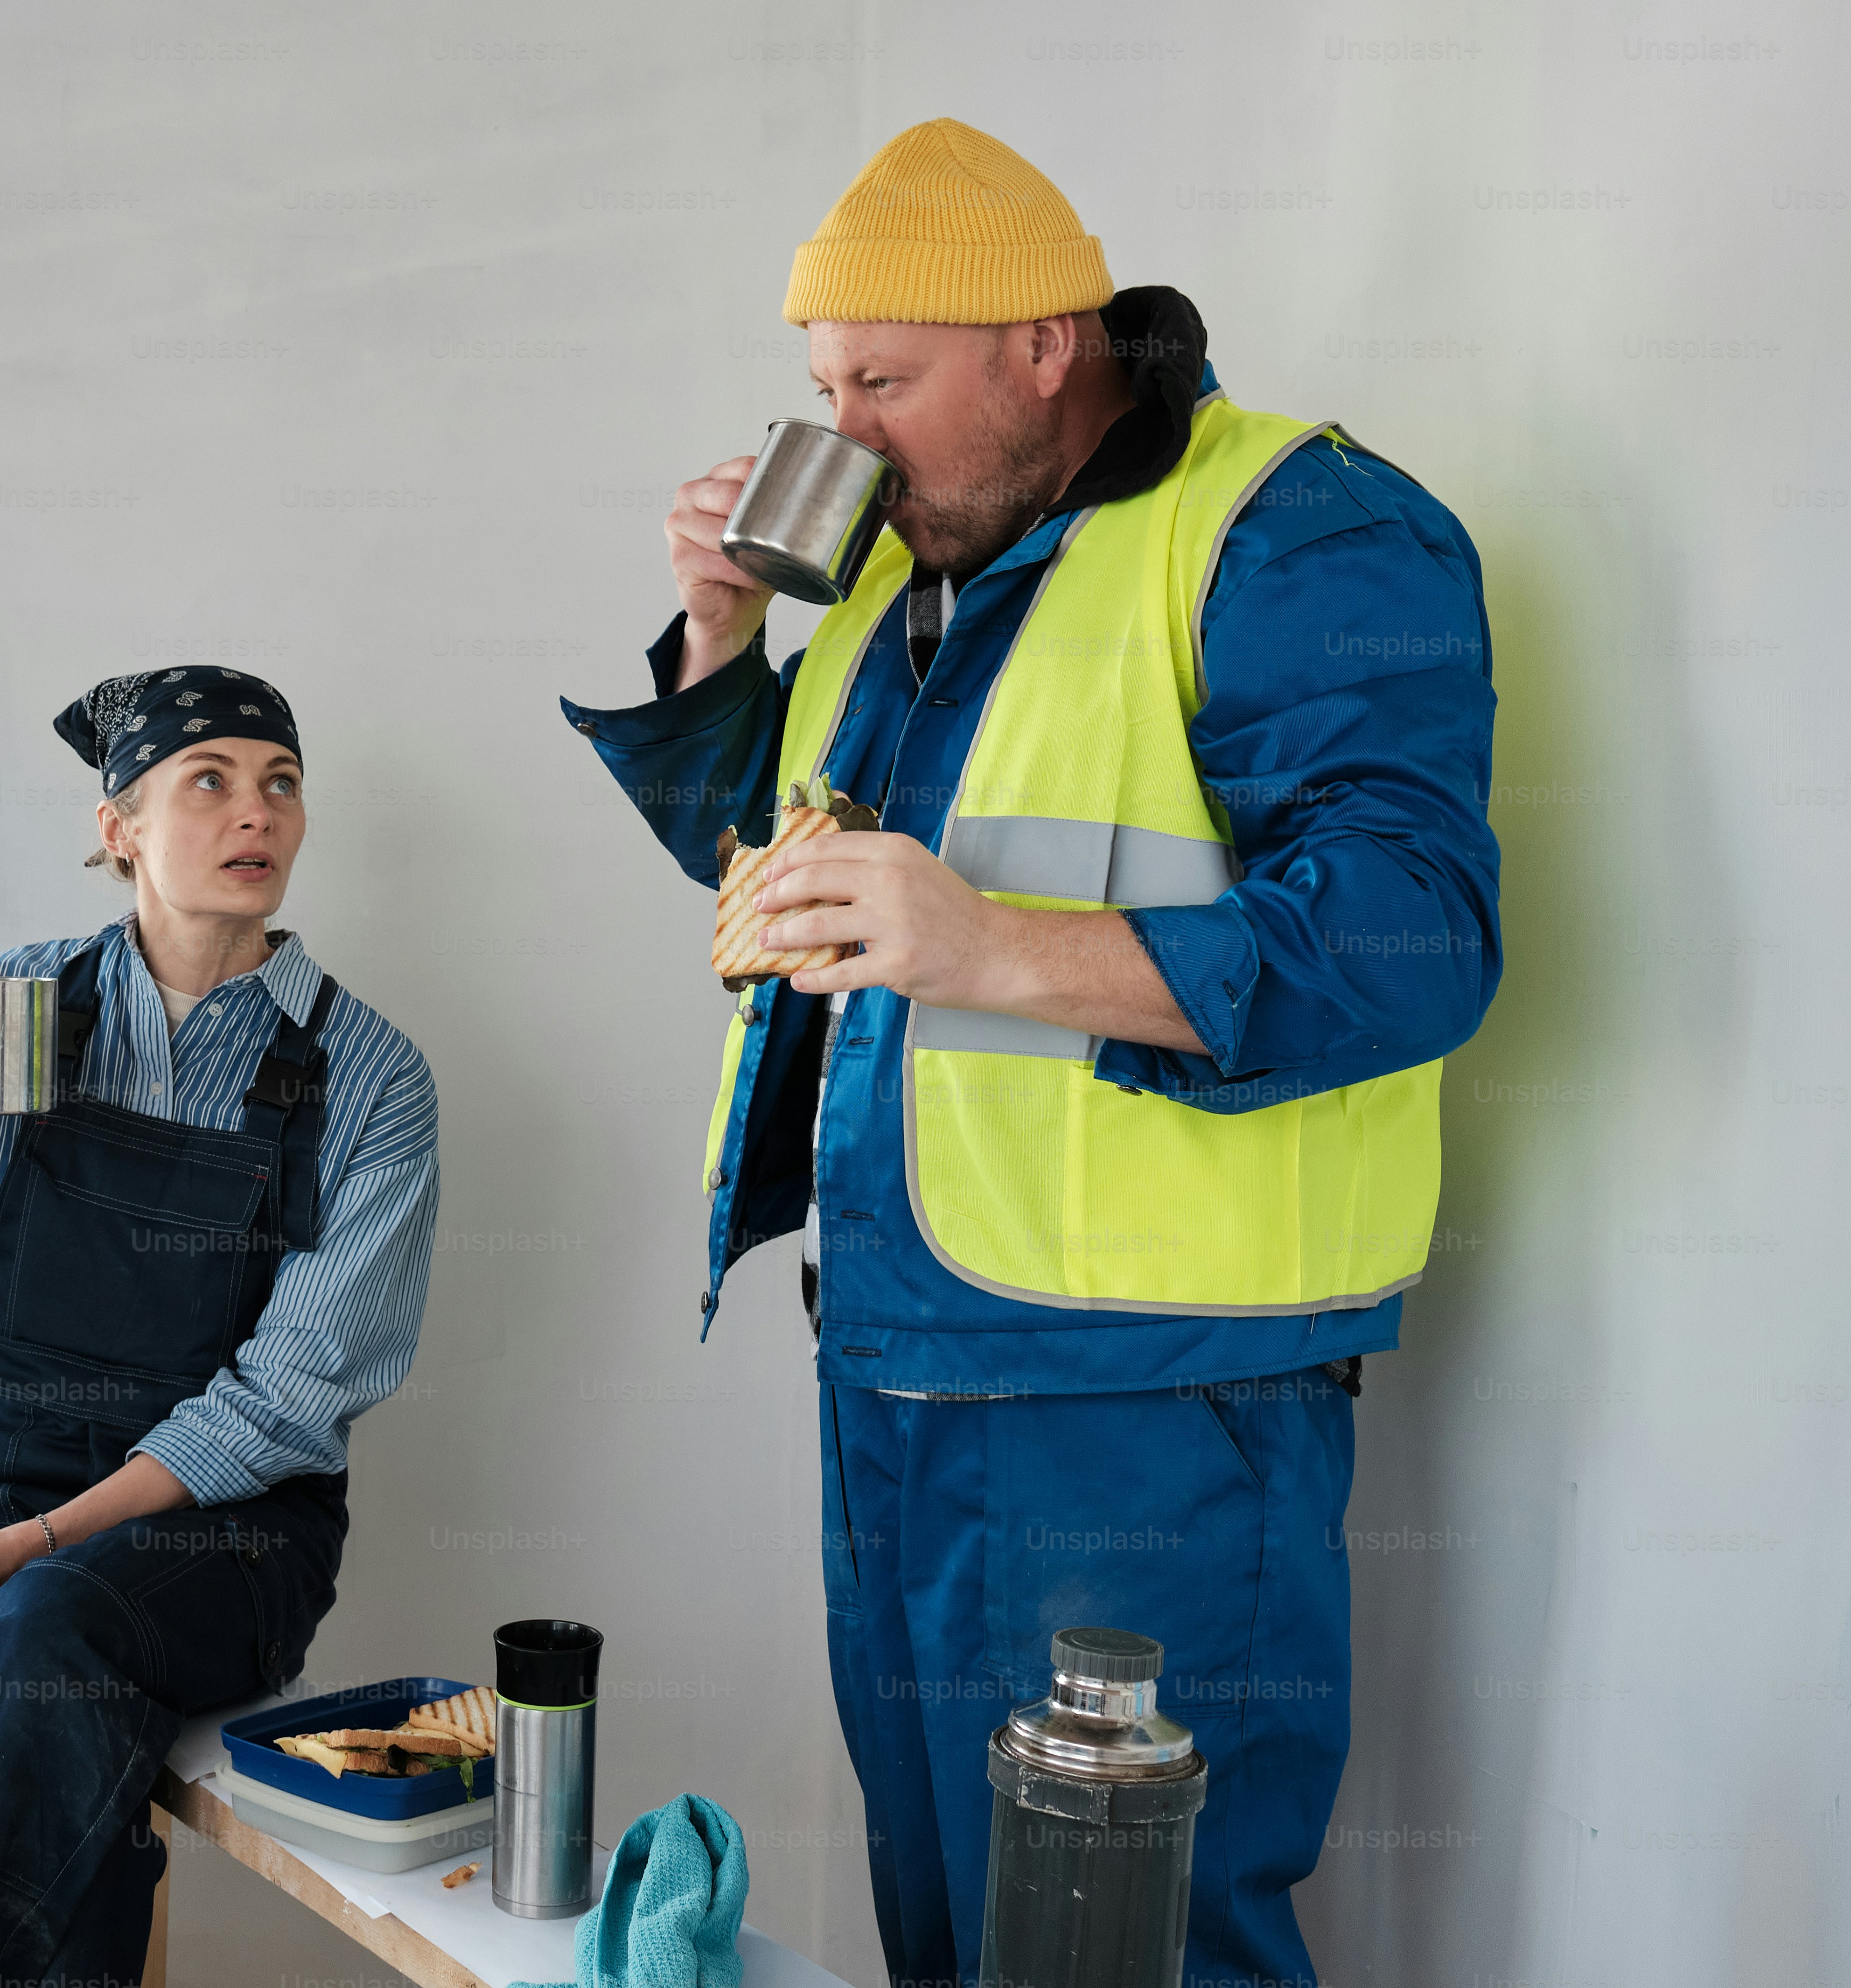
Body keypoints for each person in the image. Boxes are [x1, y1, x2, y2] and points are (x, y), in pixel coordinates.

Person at [561, 120, 1499, 1988]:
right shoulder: (914, 569)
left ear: (1048, 347)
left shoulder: (1291, 527)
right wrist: (719, 641)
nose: (846, 431)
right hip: (902, 1352)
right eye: (824, 387)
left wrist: (990, 943)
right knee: (958, 1929)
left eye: (885, 383)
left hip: (1145, 1397)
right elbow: (785, 861)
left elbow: (1414, 941)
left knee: (1130, 1946)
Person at [0, 670, 441, 1988]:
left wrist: (24, 1550)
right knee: (58, 1772)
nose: (256, 813)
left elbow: (278, 1407)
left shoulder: (369, 1076)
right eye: (210, 780)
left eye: (281, 783)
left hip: (228, 1525)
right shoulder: (13, 1007)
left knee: (31, 1648)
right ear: (120, 827)